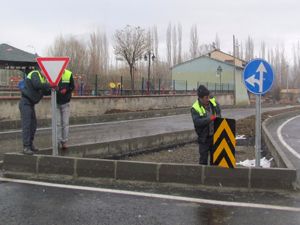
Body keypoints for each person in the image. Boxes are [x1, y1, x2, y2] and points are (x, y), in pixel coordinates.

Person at [19, 68, 51, 155]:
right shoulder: (35, 74)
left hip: (31, 104)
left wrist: (54, 89)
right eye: (46, 72)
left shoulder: (43, 79)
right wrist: (50, 84)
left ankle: (30, 144)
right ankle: (26, 147)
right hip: (25, 102)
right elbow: (37, 85)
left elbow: (45, 91)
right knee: (27, 125)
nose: (47, 74)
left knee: (33, 125)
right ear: (41, 70)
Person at [191, 85, 221, 165]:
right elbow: (197, 122)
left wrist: (218, 115)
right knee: (203, 160)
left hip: (214, 136)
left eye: (208, 97)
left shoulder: (212, 102)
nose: (208, 99)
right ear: (201, 98)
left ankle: (212, 175)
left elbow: (218, 110)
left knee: (214, 159)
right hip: (204, 138)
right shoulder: (195, 107)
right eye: (206, 98)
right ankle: (202, 176)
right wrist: (210, 118)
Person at [56, 69, 74, 150]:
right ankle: (57, 142)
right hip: (56, 103)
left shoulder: (69, 74)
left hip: (65, 103)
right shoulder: (54, 73)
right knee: (57, 124)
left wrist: (66, 90)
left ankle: (64, 142)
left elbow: (72, 86)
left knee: (65, 123)